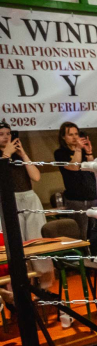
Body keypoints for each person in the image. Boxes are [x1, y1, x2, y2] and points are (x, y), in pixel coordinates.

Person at [0, 122, 53, 287]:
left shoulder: (19, 156)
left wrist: (23, 154)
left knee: (37, 242)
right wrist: (6, 155)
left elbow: (36, 177)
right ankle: (19, 291)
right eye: (1, 134)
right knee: (15, 245)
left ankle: (45, 288)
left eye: (8, 133)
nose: (6, 137)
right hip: (9, 201)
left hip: (29, 198)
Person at [54, 122, 97, 241]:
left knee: (96, 232)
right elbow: (74, 167)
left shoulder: (83, 152)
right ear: (63, 137)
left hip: (92, 196)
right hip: (76, 200)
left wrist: (89, 153)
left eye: (76, 134)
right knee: (81, 233)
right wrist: (78, 149)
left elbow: (94, 171)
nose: (74, 137)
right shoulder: (60, 153)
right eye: (70, 135)